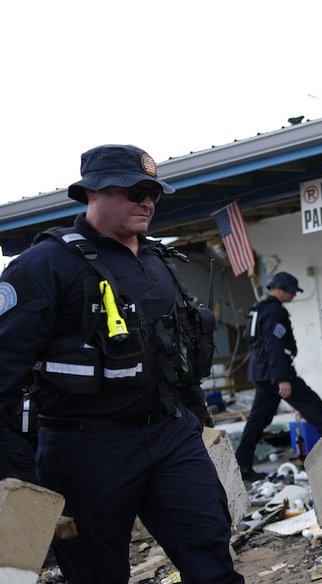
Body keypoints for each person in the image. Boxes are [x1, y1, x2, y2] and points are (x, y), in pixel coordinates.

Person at [0, 144, 242, 582]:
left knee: (212, 557)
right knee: (97, 574)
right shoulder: (43, 265)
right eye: (133, 191)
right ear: (91, 193)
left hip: (170, 436)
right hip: (86, 449)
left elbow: (176, 350)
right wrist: (18, 470)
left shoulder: (157, 260)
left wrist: (198, 421)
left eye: (153, 192)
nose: (147, 201)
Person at [235, 271, 322, 481]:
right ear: (280, 290)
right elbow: (274, 345)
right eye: (291, 292)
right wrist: (281, 378)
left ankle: (242, 466)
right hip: (275, 372)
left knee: (258, 420)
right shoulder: (275, 311)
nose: (293, 296)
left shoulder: (260, 308)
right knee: (312, 405)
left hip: (263, 372)